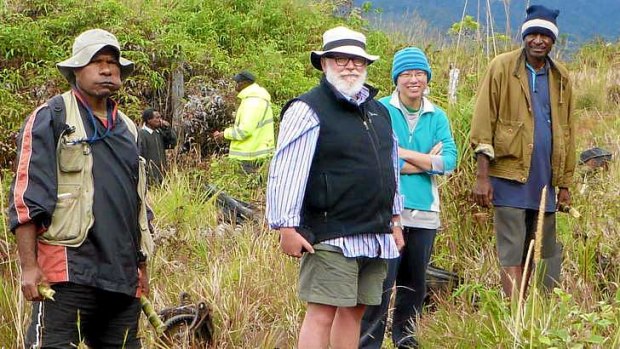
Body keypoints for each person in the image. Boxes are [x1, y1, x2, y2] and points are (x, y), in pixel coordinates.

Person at [8, 28, 153, 348]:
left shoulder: (129, 129)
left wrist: (140, 268)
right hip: (67, 273)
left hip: (121, 282)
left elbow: (139, 205)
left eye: (112, 63)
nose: (106, 69)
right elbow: (26, 198)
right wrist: (29, 268)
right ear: (76, 70)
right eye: (96, 62)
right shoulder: (53, 117)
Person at [267, 26, 404, 349]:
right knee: (322, 311)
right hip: (331, 232)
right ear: (325, 63)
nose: (350, 66)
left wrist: (395, 219)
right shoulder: (307, 108)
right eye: (340, 59)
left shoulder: (379, 110)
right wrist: (286, 226)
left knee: (356, 310)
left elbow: (390, 165)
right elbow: (287, 169)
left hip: (375, 231)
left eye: (357, 60)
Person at [470, 5, 575, 299]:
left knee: (540, 250)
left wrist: (564, 183)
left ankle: (529, 313)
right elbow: (482, 123)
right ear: (525, 36)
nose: (538, 41)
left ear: (553, 41)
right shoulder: (501, 68)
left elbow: (568, 130)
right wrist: (482, 177)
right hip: (508, 175)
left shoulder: (561, 77)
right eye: (533, 34)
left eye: (545, 36)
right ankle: (513, 315)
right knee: (511, 251)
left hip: (545, 179)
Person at [360, 47, 458, 349]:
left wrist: (401, 154)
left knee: (414, 286)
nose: (413, 80)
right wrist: (425, 161)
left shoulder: (437, 114)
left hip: (426, 213)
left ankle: (406, 340)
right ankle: (368, 344)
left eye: (419, 74)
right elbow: (378, 159)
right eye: (406, 74)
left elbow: (449, 161)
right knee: (380, 286)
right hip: (388, 214)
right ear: (396, 78)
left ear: (427, 78)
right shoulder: (381, 110)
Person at [213, 70, 275, 173]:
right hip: (257, 155)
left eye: (237, 83)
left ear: (244, 83)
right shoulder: (256, 98)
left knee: (245, 187)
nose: (235, 85)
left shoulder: (252, 102)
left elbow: (244, 131)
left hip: (250, 158)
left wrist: (224, 134)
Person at [139, 108, 177, 185]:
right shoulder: (141, 134)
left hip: (162, 174)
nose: (160, 120)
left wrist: (168, 129)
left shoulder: (159, 132)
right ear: (148, 120)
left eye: (160, 117)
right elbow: (141, 156)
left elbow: (172, 143)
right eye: (157, 118)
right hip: (149, 177)